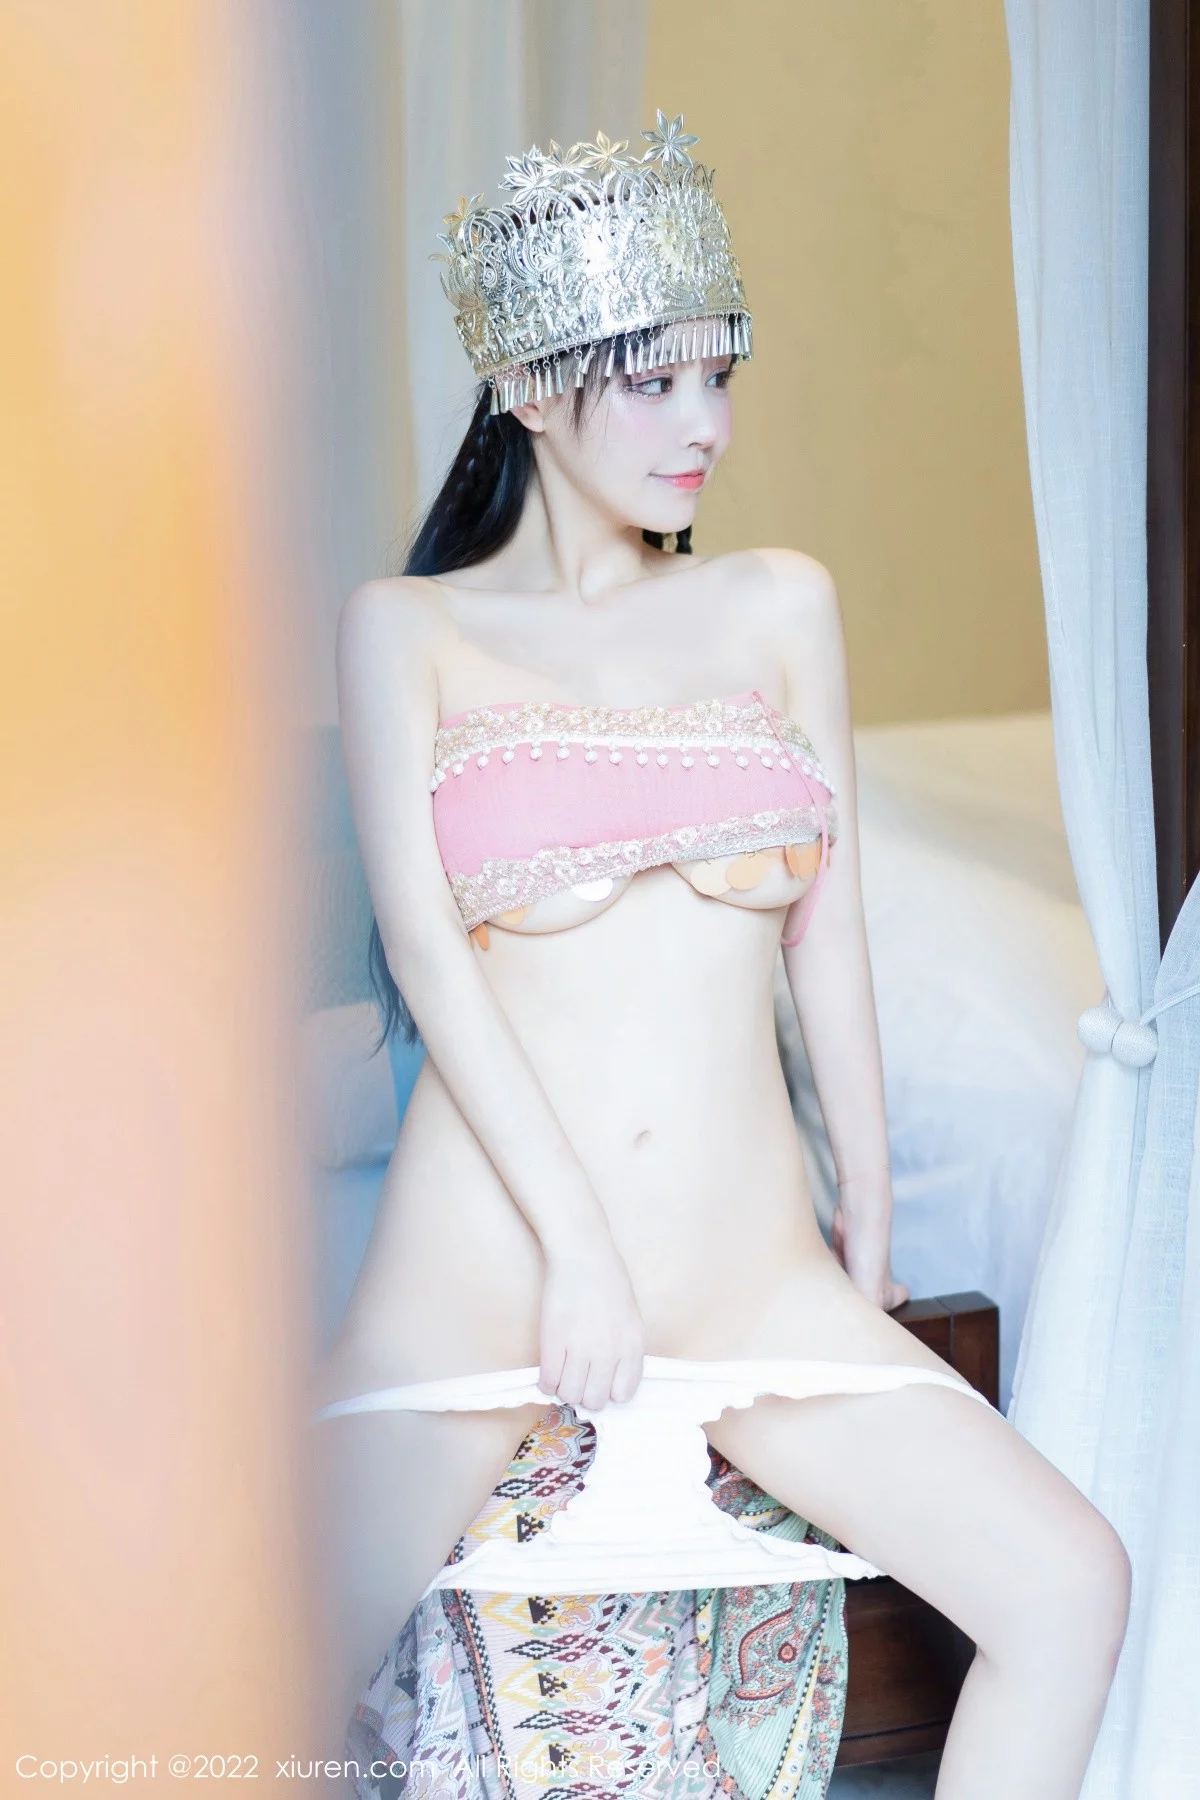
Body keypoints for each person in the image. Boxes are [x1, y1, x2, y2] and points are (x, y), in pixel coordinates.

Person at [311, 114, 1131, 1799]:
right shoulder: (410, 630)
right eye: (657, 383)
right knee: (232, 1677)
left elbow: (830, 938)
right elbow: (428, 958)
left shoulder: (779, 604)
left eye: (721, 375)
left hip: (749, 1277)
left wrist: (871, 1234)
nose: (709, 425)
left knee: (1071, 1586)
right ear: (531, 388)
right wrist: (578, 1256)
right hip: (487, 1271)